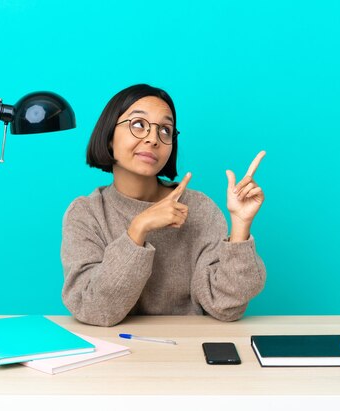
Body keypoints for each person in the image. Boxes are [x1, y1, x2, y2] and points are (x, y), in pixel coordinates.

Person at [61, 84, 266, 327]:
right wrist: (139, 228)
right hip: (114, 355)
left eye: (165, 130)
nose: (152, 138)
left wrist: (240, 228)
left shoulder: (199, 208)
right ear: (108, 138)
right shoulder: (86, 213)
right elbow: (94, 309)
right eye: (138, 125)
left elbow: (225, 306)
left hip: (188, 352)